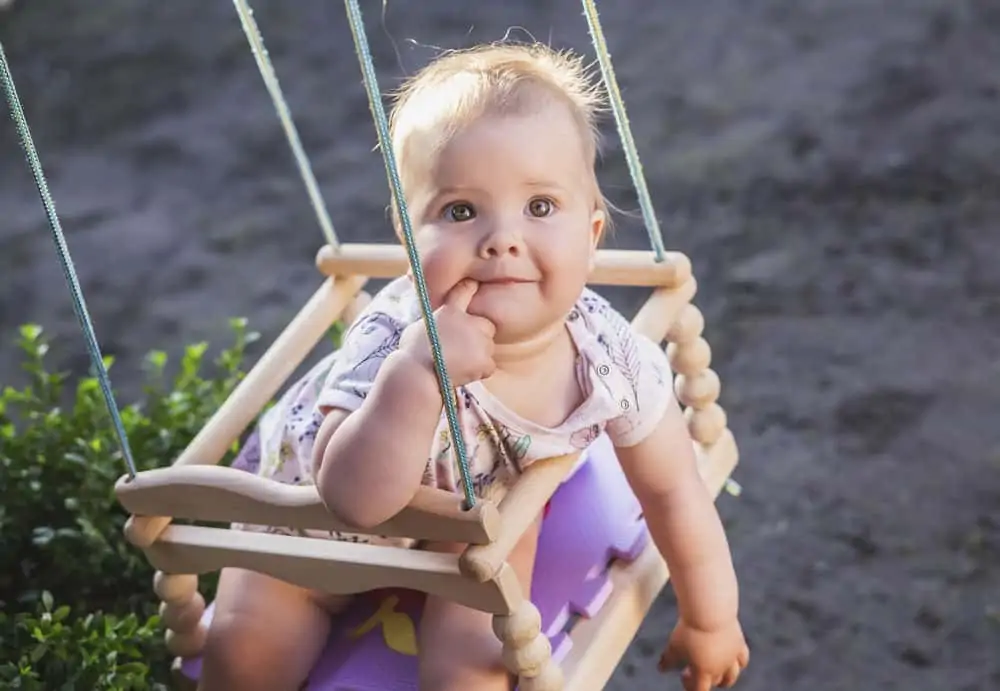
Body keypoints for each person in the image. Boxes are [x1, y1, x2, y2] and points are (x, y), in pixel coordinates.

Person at [198, 41, 749, 691]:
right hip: (310, 525)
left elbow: (671, 489)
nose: (502, 238)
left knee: (475, 664)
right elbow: (355, 500)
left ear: (592, 234)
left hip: (473, 520)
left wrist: (712, 617)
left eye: (540, 207)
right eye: (461, 211)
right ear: (409, 241)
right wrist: (419, 373)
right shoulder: (391, 340)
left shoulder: (612, 359)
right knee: (245, 656)